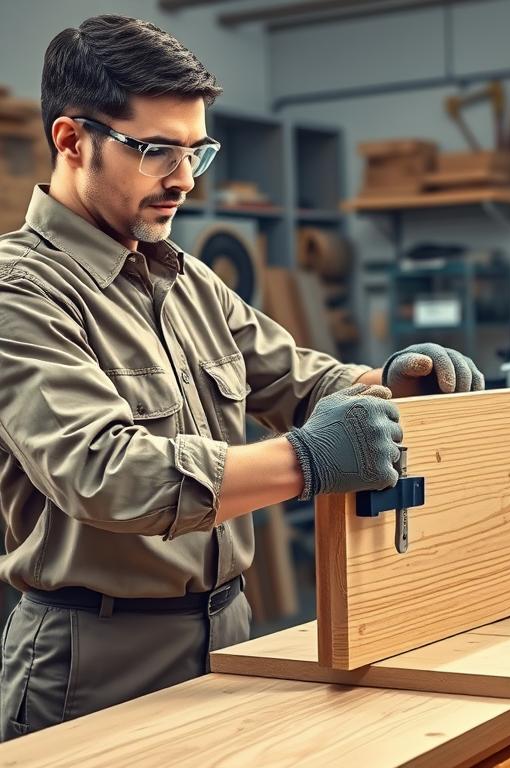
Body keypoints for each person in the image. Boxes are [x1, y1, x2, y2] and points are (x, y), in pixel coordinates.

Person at [0, 14, 483, 740]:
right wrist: (308, 460)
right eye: (157, 151)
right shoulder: (21, 293)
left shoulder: (186, 280)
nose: (184, 180)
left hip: (228, 632)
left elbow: (300, 382)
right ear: (71, 141)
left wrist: (395, 385)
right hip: (92, 661)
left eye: (196, 152)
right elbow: (103, 473)